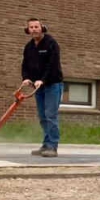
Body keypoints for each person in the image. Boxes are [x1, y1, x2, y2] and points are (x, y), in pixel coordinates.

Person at [22, 18, 64, 157]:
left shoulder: (51, 43)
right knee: (43, 117)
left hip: (53, 84)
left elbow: (52, 65)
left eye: (36, 27)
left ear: (42, 28)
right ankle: (46, 144)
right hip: (38, 87)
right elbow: (25, 65)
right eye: (31, 27)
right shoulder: (29, 47)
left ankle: (53, 146)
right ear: (28, 30)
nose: (34, 29)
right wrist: (26, 78)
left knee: (51, 115)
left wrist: (43, 80)